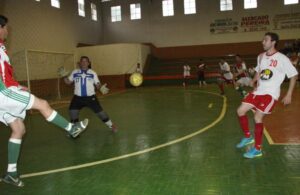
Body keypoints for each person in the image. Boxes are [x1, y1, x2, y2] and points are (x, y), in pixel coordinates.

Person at [0, 15, 89, 187]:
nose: (7, 31)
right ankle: (72, 129)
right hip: (2, 93)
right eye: (4, 27)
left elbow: (5, 74)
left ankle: (11, 173)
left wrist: (17, 86)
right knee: (43, 104)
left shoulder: (2, 48)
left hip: (6, 91)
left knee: (19, 129)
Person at [236, 32, 298, 159]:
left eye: (265, 40)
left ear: (273, 42)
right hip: (259, 91)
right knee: (240, 111)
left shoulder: (282, 58)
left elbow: (293, 75)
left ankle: (257, 149)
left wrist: (289, 94)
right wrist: (253, 81)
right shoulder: (261, 56)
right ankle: (248, 137)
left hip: (270, 94)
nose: (262, 42)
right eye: (263, 40)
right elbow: (260, 71)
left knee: (258, 118)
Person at [63, 56, 117, 133]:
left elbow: (97, 84)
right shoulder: (75, 72)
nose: (84, 63)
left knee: (101, 114)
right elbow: (68, 82)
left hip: (91, 98)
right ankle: (75, 130)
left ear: (89, 63)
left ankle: (111, 125)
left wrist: (101, 87)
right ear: (80, 63)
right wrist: (64, 76)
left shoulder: (93, 73)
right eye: (82, 61)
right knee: (72, 112)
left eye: (86, 61)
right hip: (77, 98)